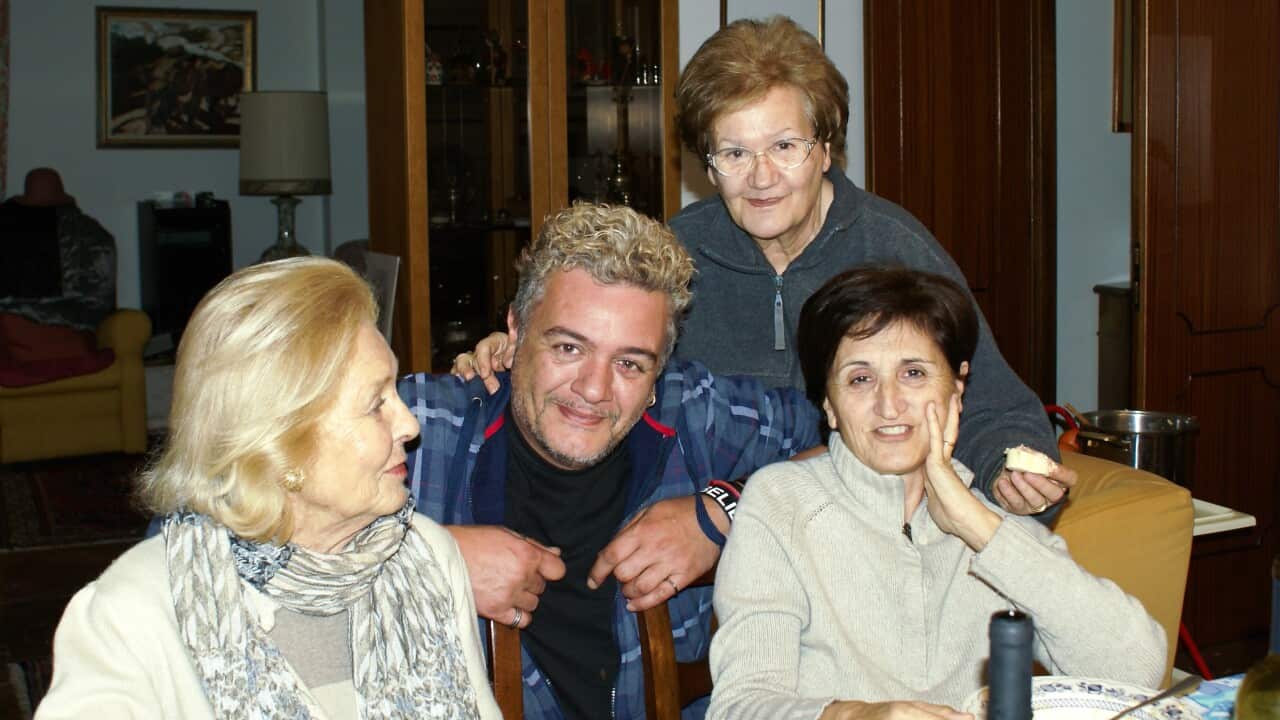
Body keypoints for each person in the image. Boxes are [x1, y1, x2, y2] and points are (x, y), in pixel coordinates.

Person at [451, 15, 1072, 519]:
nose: (763, 177)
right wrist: (514, 349)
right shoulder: (673, 257)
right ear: (708, 164)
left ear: (825, 149)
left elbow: (996, 407)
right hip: (701, 550)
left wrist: (1007, 467)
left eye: (784, 146)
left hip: (862, 539)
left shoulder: (896, 253)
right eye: (735, 153)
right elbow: (594, 356)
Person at [399, 202, 822, 720]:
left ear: (658, 371)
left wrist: (722, 510)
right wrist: (427, 559)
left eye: (628, 363)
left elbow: (855, 450)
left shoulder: (695, 416)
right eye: (569, 348)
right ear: (515, 329)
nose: (594, 390)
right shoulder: (420, 427)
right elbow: (277, 532)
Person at [37, 258, 500, 719]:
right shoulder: (134, 614)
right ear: (281, 444)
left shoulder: (427, 558)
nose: (409, 424)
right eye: (376, 404)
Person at [706, 267, 1166, 720]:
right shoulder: (782, 503)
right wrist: (858, 716)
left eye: (914, 373)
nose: (889, 404)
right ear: (828, 402)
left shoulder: (990, 505)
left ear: (958, 388)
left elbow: (1139, 670)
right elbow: (739, 707)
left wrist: (979, 527)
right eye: (860, 379)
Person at [0, 167, 115, 331]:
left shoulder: (6, 225)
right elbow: (102, 301)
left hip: (9, 335)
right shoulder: (92, 233)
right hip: (73, 335)